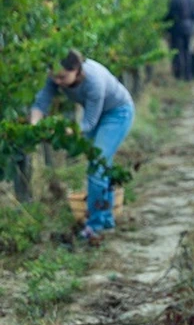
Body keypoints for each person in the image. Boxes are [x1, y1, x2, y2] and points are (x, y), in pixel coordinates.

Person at [30, 49, 135, 243]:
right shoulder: (56, 75)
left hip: (117, 113)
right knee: (101, 165)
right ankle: (106, 219)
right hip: (98, 116)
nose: (58, 81)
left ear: (77, 69)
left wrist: (64, 132)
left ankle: (94, 226)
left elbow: (88, 123)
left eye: (63, 77)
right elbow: (41, 102)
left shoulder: (93, 81)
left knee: (96, 164)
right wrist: (35, 126)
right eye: (55, 77)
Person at [164, 0, 194, 81]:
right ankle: (188, 75)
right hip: (189, 27)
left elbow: (170, 16)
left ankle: (179, 75)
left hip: (177, 28)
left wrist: (163, 25)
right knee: (187, 51)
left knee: (178, 52)